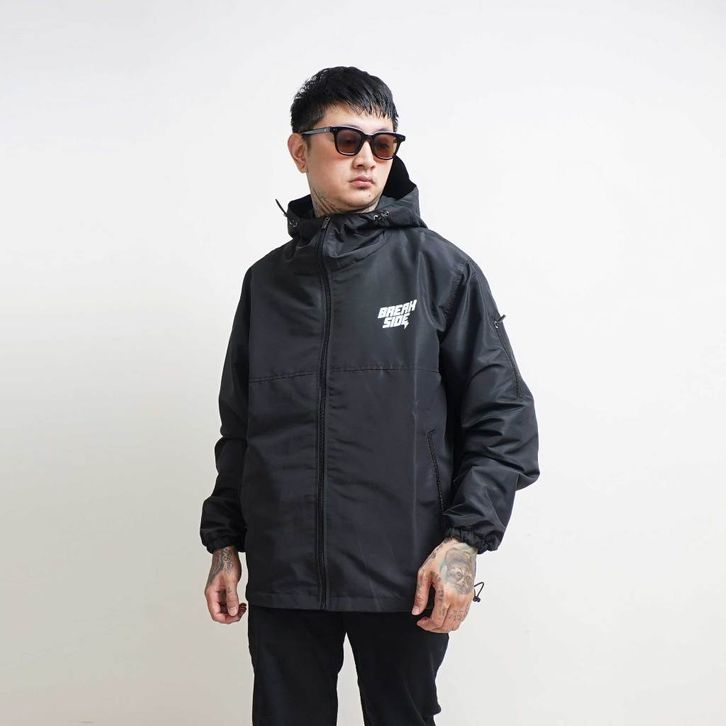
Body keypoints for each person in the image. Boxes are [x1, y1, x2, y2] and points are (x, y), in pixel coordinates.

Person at [200, 66, 540, 726]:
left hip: (405, 574)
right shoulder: (265, 284)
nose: (366, 159)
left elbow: (503, 420)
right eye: (346, 140)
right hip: (286, 574)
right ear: (299, 150)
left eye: (382, 145)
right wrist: (224, 543)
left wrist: (464, 542)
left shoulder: (441, 269)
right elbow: (240, 429)